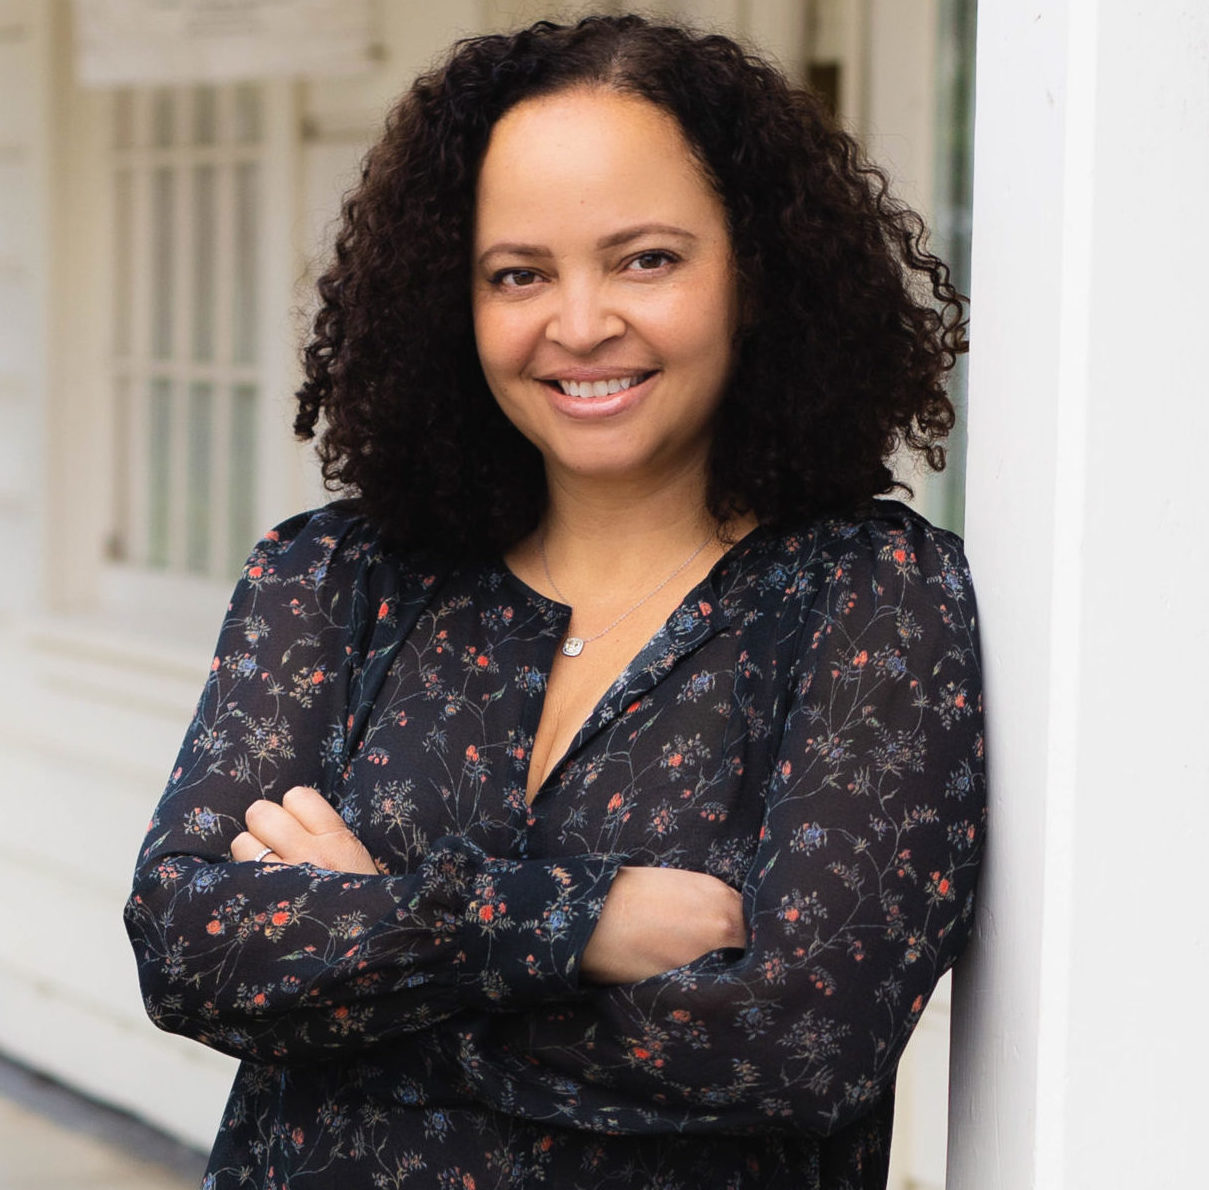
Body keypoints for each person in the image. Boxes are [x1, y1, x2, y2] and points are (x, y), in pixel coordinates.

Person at [125, 14, 984, 1190]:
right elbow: (187, 941)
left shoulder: (867, 597)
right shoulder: (337, 578)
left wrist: (364, 957)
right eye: (518, 273)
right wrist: (583, 921)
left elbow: (796, 1041)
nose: (579, 325)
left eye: (646, 259)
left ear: (758, 269)